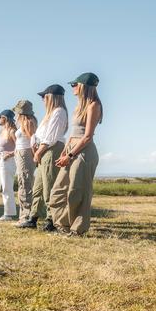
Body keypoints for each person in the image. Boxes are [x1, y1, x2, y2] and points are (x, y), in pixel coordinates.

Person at [49, 73, 103, 236]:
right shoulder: (79, 106)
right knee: (58, 191)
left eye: (75, 85)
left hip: (84, 151)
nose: (72, 87)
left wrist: (70, 155)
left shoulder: (93, 105)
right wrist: (65, 150)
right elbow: (73, 133)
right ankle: (62, 225)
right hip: (71, 149)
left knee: (77, 192)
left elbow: (87, 136)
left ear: (83, 86)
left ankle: (77, 229)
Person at [25, 84, 68, 231]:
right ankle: (33, 218)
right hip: (44, 150)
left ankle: (52, 220)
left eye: (44, 96)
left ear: (52, 97)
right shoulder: (50, 114)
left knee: (49, 186)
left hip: (51, 150)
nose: (42, 99)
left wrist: (38, 152)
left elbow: (51, 137)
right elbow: (39, 135)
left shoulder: (59, 112)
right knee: (38, 187)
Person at [13, 100, 38, 227]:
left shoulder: (28, 122)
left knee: (25, 183)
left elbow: (33, 140)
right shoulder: (23, 122)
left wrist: (35, 155)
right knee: (23, 183)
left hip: (25, 153)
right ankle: (23, 215)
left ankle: (26, 216)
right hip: (21, 153)